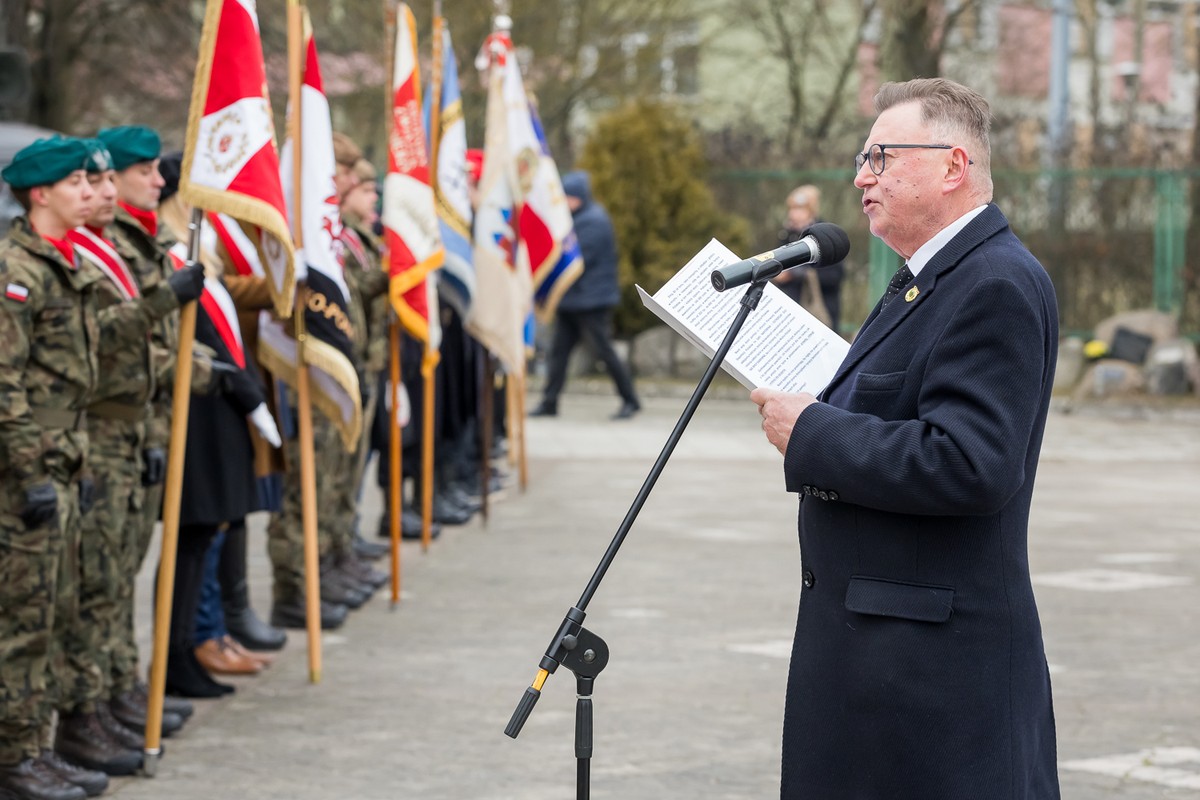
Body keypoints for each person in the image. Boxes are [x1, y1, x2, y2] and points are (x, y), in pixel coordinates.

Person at [750, 78, 1060, 799]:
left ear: (953, 166)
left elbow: (971, 464)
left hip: (935, 678)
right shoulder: (927, 279)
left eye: (882, 157)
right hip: (885, 660)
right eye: (863, 158)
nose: (862, 176)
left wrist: (813, 433)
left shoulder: (993, 283)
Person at [0, 136, 107, 800]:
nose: (88, 190)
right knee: (24, 619)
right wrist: (30, 472)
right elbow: (5, 383)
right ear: (41, 194)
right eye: (74, 181)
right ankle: (13, 759)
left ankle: (37, 746)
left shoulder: (63, 262)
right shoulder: (19, 269)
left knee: (57, 612)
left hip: (66, 460)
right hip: (27, 476)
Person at [530, 170, 640, 420]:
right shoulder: (574, 219)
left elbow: (573, 260)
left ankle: (630, 400)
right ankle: (549, 402)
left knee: (604, 351)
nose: (564, 201)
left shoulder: (594, 221)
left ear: (579, 198)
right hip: (571, 300)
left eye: (568, 197)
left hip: (591, 301)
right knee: (559, 353)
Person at [773, 184, 846, 332]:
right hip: (790, 312)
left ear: (812, 211)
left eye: (801, 209)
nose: (795, 214)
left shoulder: (824, 236)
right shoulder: (787, 235)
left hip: (819, 310)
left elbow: (833, 276)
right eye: (792, 209)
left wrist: (795, 274)